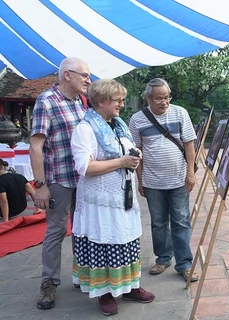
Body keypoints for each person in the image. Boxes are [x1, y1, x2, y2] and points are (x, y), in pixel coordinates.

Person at [70, 79, 154, 316]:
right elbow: (84, 167)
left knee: (126, 239)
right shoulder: (85, 129)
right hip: (100, 202)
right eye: (118, 100)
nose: (121, 104)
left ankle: (129, 286)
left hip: (123, 199)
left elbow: (125, 151)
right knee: (105, 241)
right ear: (101, 100)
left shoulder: (118, 125)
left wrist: (134, 154)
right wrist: (121, 161)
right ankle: (104, 292)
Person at [30, 57, 91, 310]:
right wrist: (40, 185)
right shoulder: (47, 101)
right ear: (68, 75)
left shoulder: (81, 102)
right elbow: (36, 145)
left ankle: (81, 275)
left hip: (84, 178)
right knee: (56, 230)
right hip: (58, 178)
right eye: (84, 75)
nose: (88, 80)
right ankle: (49, 283)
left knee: (82, 228)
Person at [129, 78, 199, 282]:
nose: (164, 102)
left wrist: (190, 174)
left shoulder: (180, 113)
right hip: (152, 182)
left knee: (181, 222)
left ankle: (184, 264)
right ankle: (163, 258)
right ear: (148, 98)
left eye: (167, 97)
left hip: (178, 180)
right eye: (158, 98)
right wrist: (140, 181)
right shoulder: (137, 119)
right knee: (158, 223)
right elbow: (137, 152)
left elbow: (189, 145)